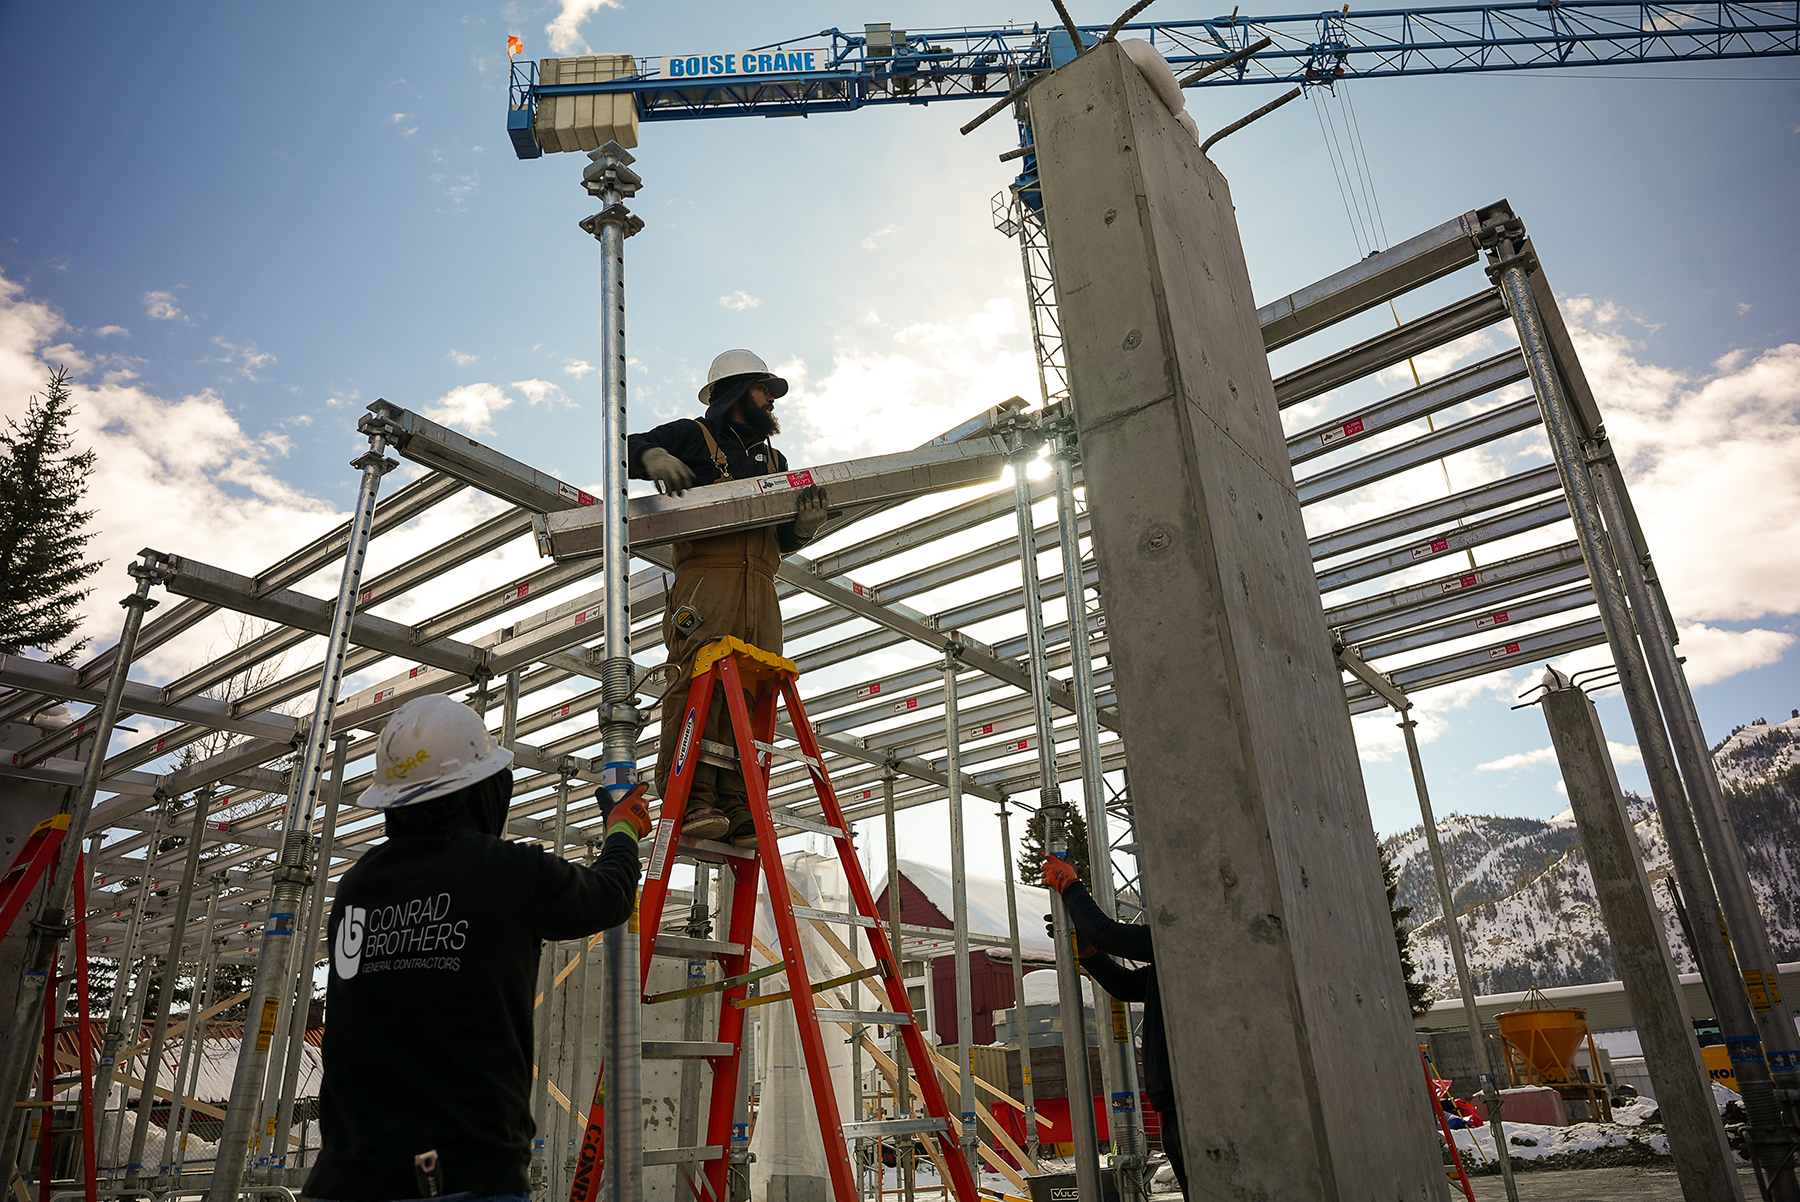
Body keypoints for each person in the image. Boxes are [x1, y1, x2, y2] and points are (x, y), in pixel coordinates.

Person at [305, 694, 651, 1202]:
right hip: (462, 1176)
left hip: (344, 1177)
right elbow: (610, 895)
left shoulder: (358, 885)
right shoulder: (506, 872)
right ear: (480, 791)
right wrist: (621, 830)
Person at [629, 348, 828, 847]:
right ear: (737, 391)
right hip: (707, 580)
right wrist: (649, 456)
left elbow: (780, 539)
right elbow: (620, 447)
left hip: (762, 585)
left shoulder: (775, 462)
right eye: (764, 389)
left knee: (748, 697)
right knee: (699, 685)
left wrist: (801, 531)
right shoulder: (693, 437)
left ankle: (737, 802)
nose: (770, 400)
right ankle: (693, 796)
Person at [1042, 852, 1186, 1199]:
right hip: (1172, 1105)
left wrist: (1071, 887)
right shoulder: (1173, 961)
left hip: (1188, 1103)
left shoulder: (1184, 938)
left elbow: (1107, 933)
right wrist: (1089, 954)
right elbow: (1127, 986)